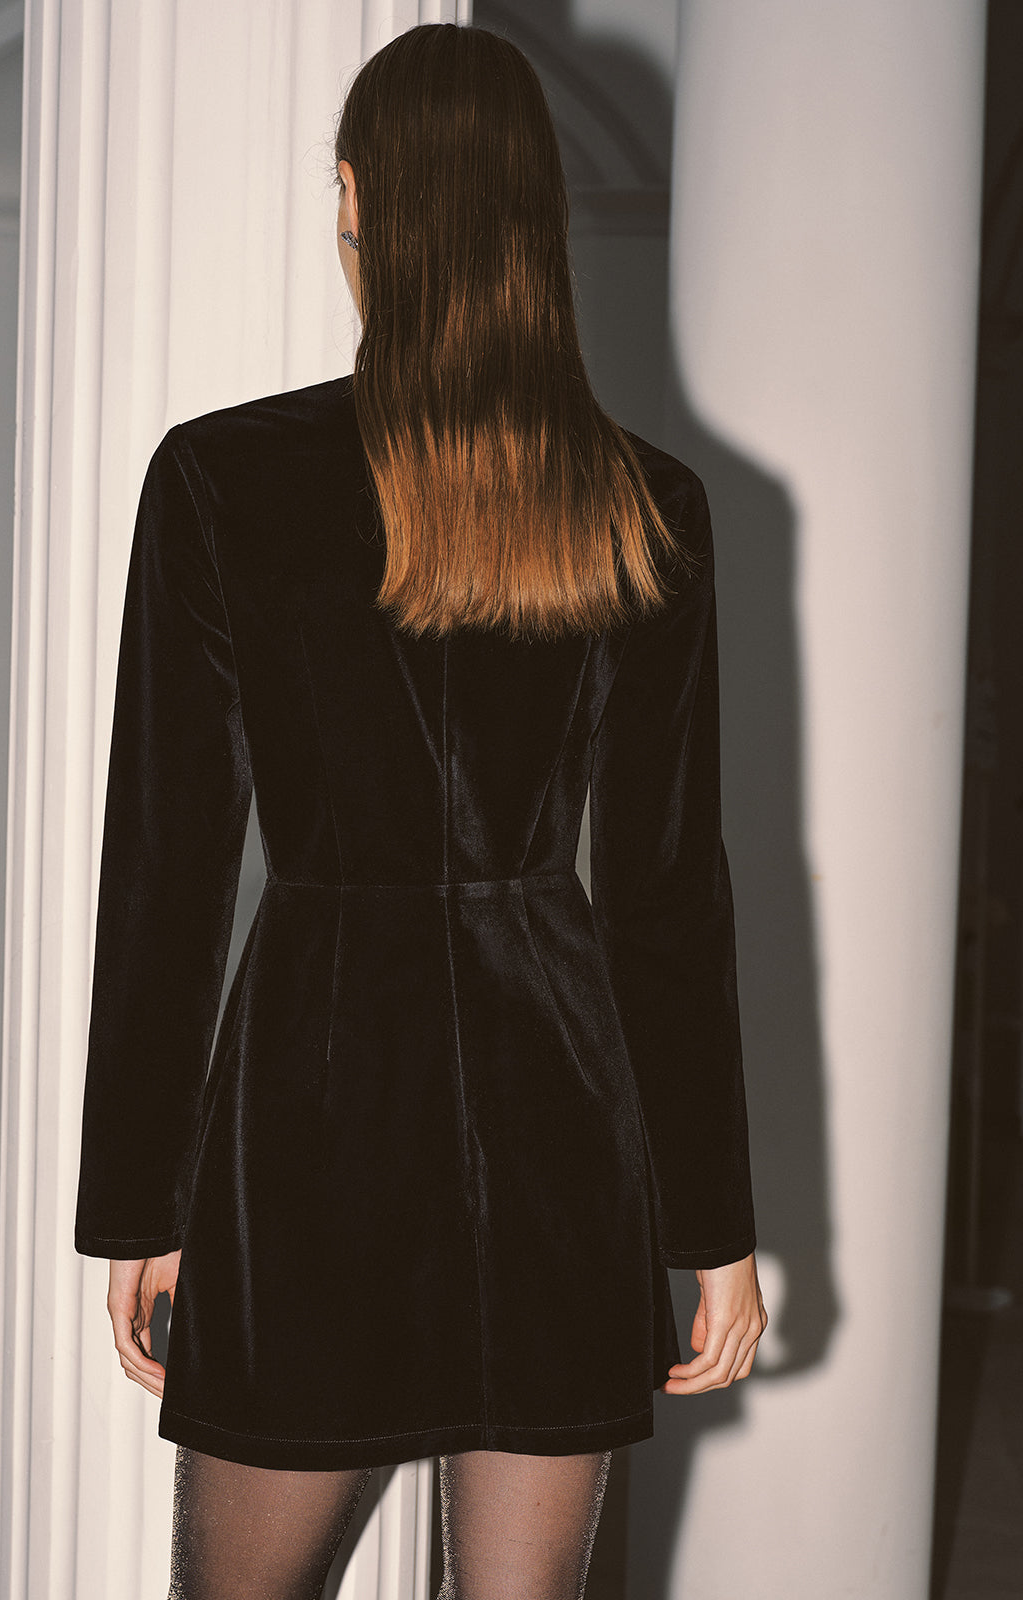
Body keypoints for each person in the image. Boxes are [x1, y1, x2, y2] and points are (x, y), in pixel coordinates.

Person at [74, 22, 766, 1600]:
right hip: (558, 1111)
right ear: (536, 211)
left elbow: (168, 866)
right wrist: (712, 1226)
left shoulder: (221, 481)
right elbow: (667, 893)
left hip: (310, 1108)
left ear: (353, 196)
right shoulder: (644, 502)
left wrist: (136, 1200)